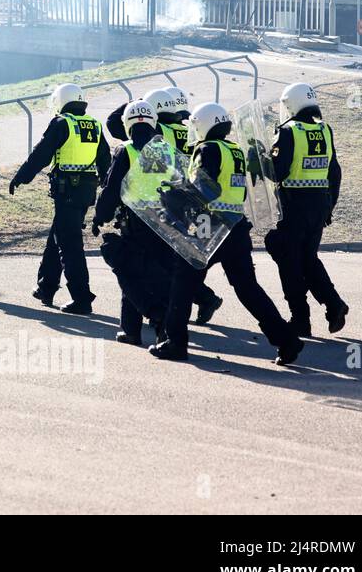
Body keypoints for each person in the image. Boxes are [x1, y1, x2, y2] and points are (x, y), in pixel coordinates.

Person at [149, 102, 303, 365]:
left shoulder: (207, 149)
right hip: (236, 226)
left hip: (207, 226)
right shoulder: (234, 151)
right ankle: (286, 340)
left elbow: (204, 189)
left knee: (183, 284)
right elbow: (236, 192)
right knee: (248, 289)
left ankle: (175, 343)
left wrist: (173, 194)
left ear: (204, 125)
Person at [105, 86, 223, 325]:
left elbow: (113, 124)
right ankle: (194, 301)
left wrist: (136, 104)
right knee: (170, 261)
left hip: (155, 203)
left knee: (147, 263)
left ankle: (168, 312)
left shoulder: (157, 131)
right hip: (187, 199)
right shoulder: (189, 129)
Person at [8, 82, 109, 313]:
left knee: (69, 244)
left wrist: (21, 177)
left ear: (61, 100)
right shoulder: (94, 124)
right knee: (57, 237)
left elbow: (41, 154)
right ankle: (46, 287)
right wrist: (107, 185)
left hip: (68, 191)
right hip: (86, 191)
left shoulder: (62, 123)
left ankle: (82, 298)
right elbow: (105, 160)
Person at [263, 82, 348, 337]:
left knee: (287, 258)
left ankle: (301, 319)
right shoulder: (325, 130)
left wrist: (262, 160)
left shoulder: (288, 131)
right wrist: (329, 206)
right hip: (319, 204)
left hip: (295, 206)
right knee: (307, 259)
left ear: (290, 105)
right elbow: (334, 171)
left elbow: (278, 171)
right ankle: (334, 304)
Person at [92, 100, 178, 345]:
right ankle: (136, 330)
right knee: (159, 273)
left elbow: (111, 189)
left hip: (135, 221)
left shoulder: (125, 150)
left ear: (128, 123)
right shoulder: (167, 150)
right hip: (163, 221)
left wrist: (100, 216)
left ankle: (150, 320)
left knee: (128, 271)